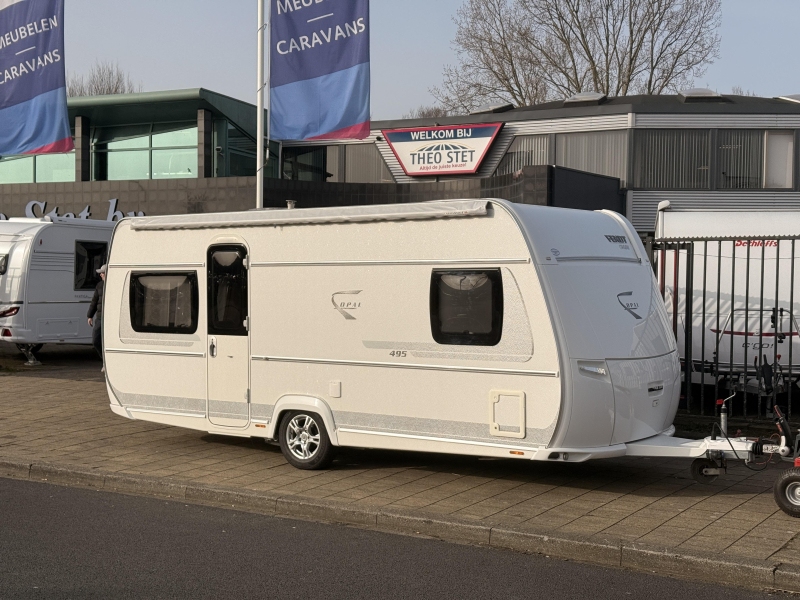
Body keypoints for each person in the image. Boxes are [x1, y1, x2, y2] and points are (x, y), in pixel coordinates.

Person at [88, 264, 106, 372]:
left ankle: (107, 363)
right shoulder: (99, 285)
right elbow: (94, 301)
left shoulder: (114, 285)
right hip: (99, 318)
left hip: (109, 320)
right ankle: (104, 360)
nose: (100, 274)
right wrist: (90, 315)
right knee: (96, 340)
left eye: (102, 273)